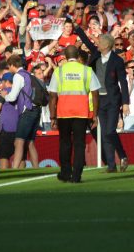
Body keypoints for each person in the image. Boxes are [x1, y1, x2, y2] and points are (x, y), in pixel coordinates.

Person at [74, 27, 130, 173]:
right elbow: (86, 40)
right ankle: (111, 166)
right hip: (99, 99)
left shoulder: (117, 60)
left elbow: (123, 82)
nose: (97, 43)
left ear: (107, 45)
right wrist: (77, 29)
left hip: (112, 100)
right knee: (104, 133)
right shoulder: (96, 55)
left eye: (100, 41)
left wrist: (125, 103)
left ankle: (123, 155)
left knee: (111, 131)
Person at [48, 45, 101, 183]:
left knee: (65, 143)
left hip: (63, 113)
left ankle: (65, 173)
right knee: (79, 144)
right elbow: (95, 94)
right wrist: (94, 114)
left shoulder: (58, 71)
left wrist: (52, 116)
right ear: (78, 55)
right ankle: (76, 175)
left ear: (65, 55)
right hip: (81, 113)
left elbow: (53, 96)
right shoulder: (87, 70)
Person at [0, 55, 43, 169]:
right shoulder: (29, 74)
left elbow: (13, 97)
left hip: (27, 111)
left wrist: (5, 96)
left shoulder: (18, 76)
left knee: (18, 141)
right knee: (30, 142)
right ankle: (36, 168)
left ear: (13, 65)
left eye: (10, 66)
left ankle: (14, 169)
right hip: (37, 109)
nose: (10, 69)